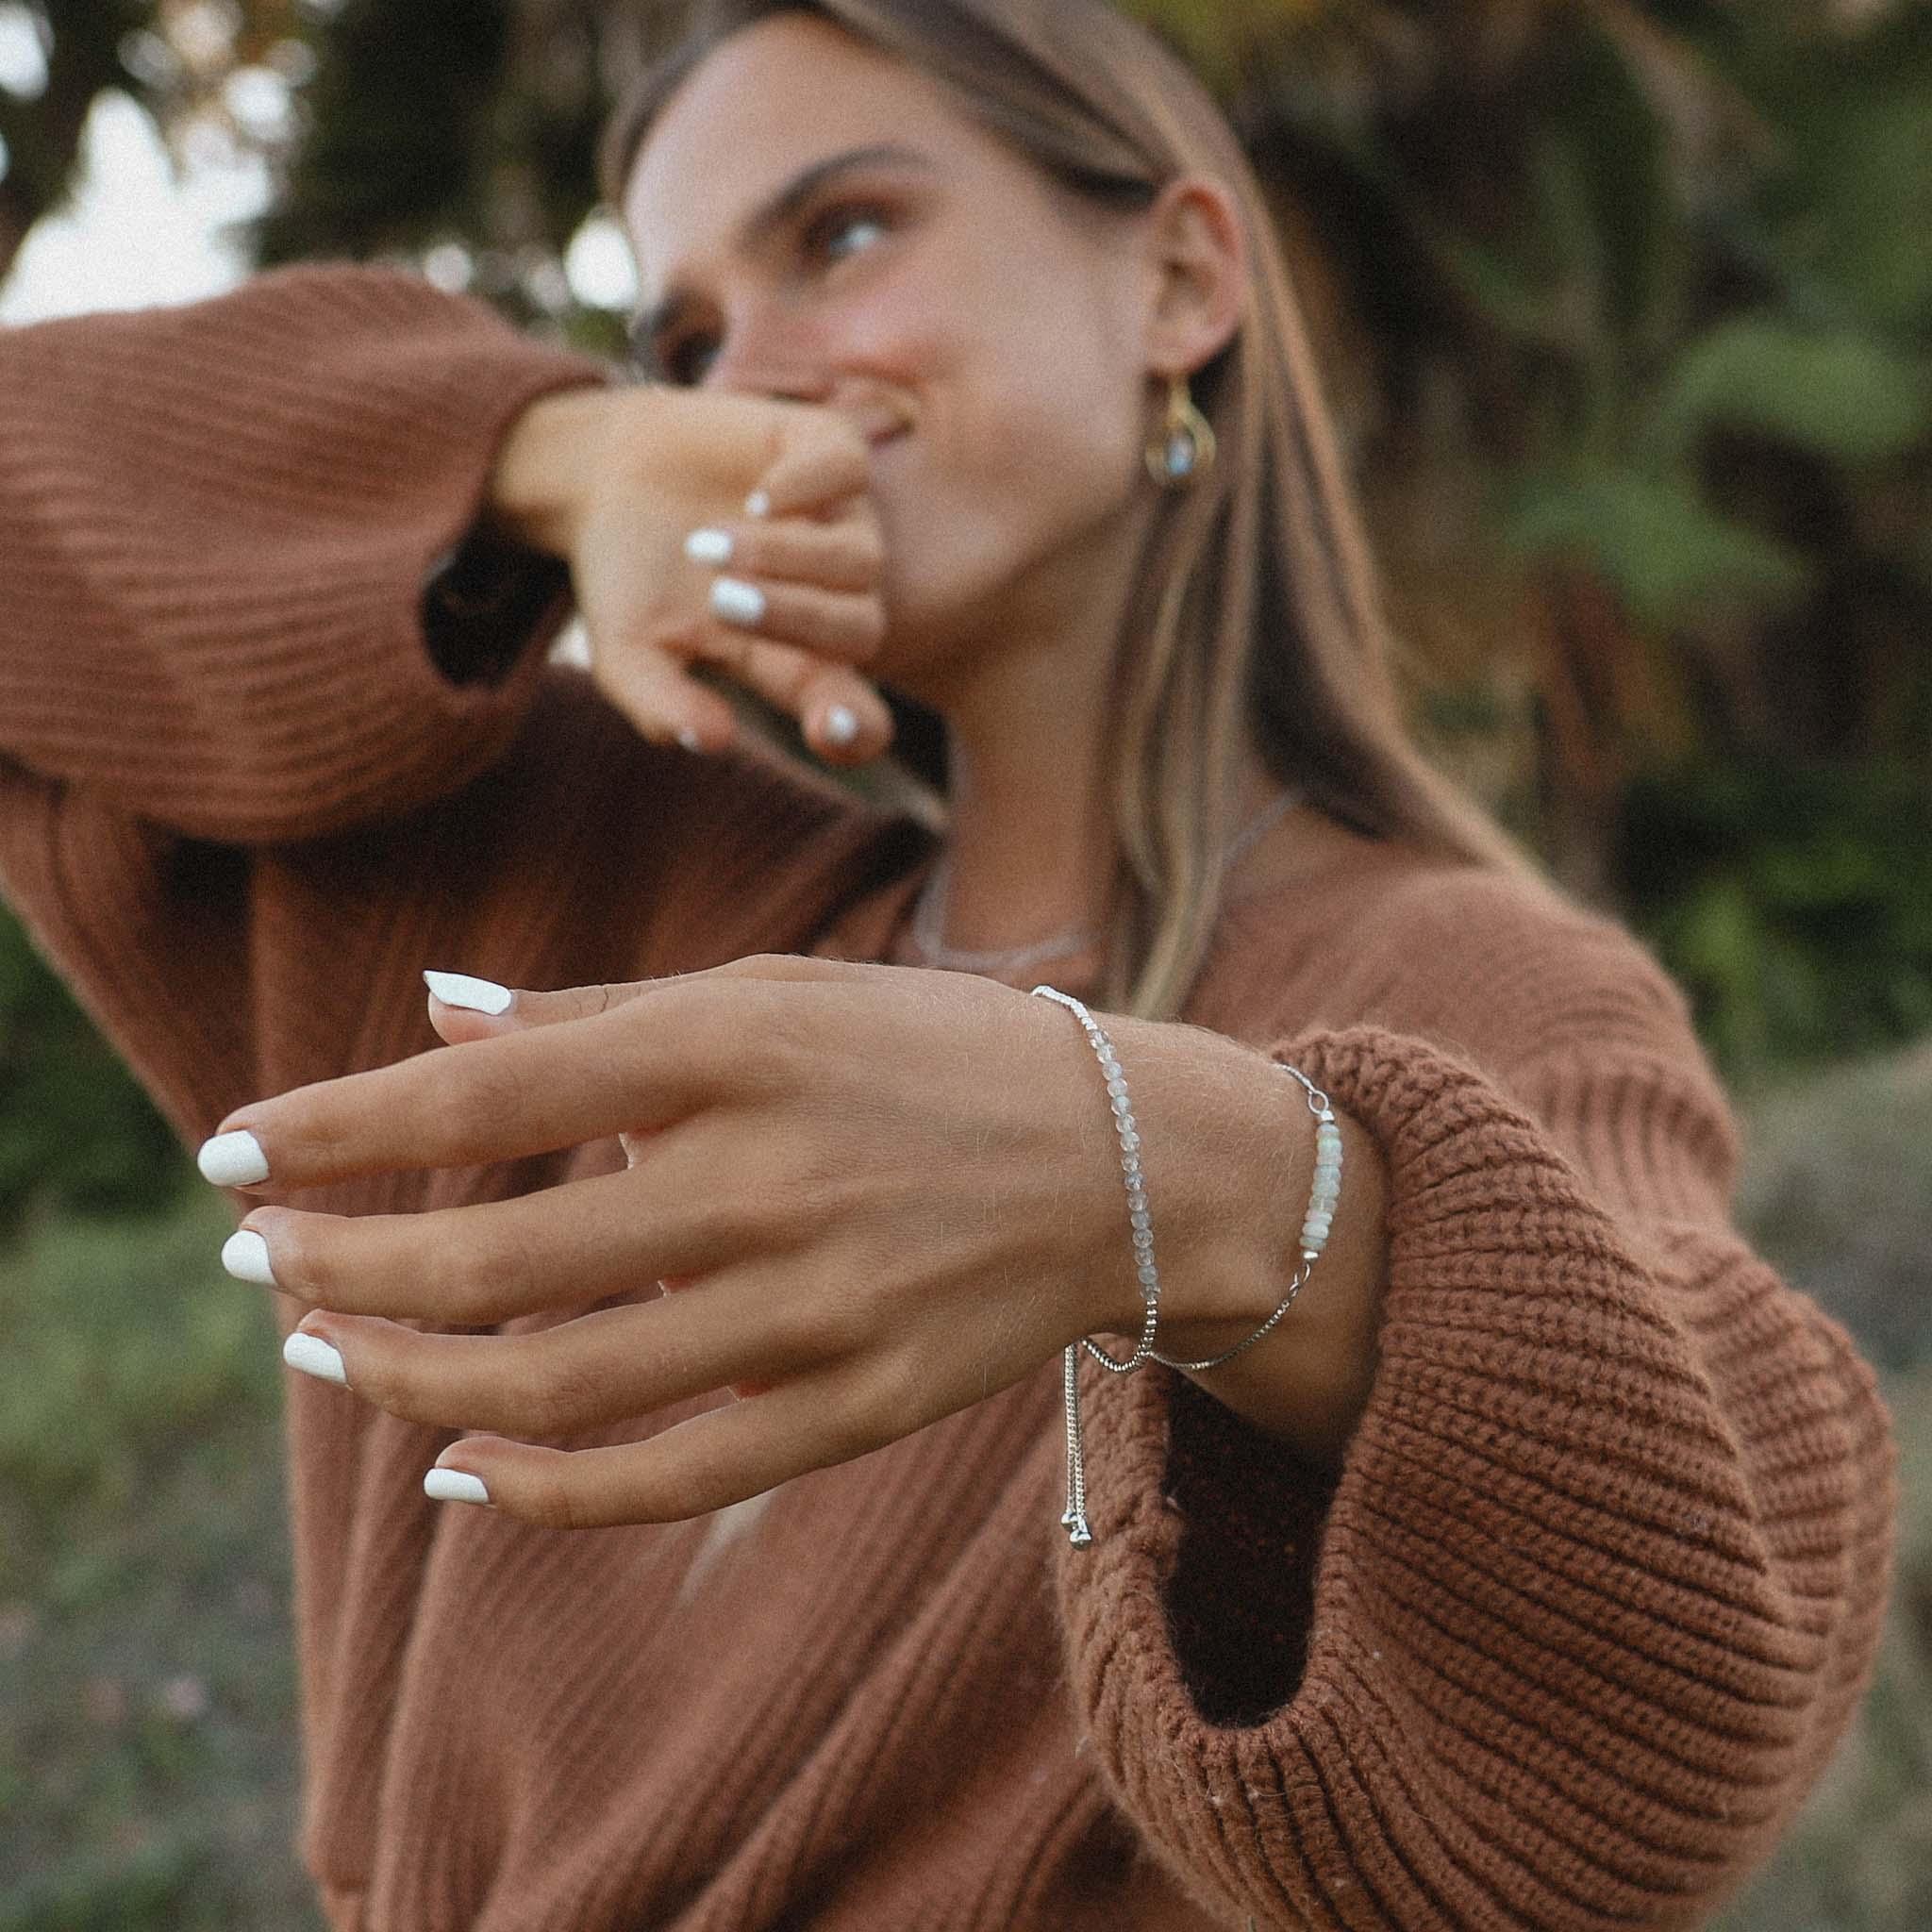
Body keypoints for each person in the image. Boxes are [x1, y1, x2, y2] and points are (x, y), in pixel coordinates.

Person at [0, 0, 1895, 1925]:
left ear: (1178, 282)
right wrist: (553, 455)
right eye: (684, 343)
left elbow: (1718, 1641)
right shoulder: (582, 882)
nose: (753, 378)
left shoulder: (1470, 987)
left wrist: (1196, 1193)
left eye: (841, 235)